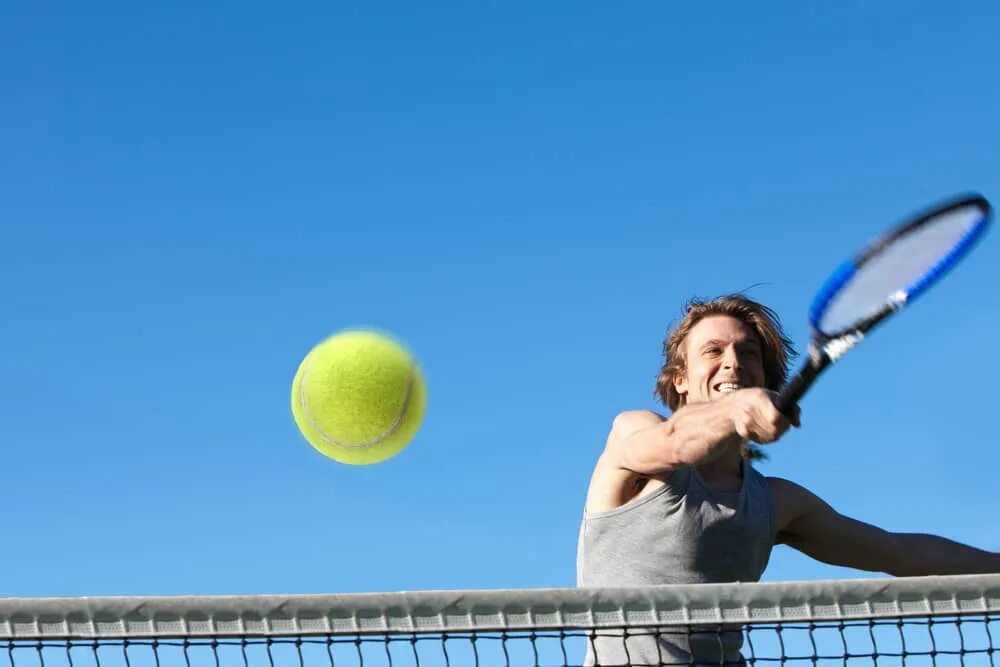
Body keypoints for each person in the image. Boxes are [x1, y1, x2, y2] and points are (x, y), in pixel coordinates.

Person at [576, 293, 999, 666]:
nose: (733, 362)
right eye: (713, 350)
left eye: (748, 352)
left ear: (764, 377)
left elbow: (899, 553)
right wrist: (734, 410)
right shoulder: (633, 436)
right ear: (681, 379)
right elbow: (675, 440)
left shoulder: (777, 503)